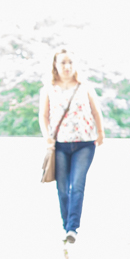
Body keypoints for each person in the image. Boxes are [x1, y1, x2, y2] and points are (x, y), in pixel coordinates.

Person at [39, 49, 105, 244]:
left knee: (77, 185)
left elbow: (96, 111)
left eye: (70, 62)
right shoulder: (48, 88)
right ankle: (66, 225)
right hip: (60, 144)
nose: (67, 66)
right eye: (63, 63)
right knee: (62, 188)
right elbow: (43, 115)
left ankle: (72, 229)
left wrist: (101, 132)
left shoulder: (84, 86)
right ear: (55, 65)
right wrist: (47, 137)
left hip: (85, 143)